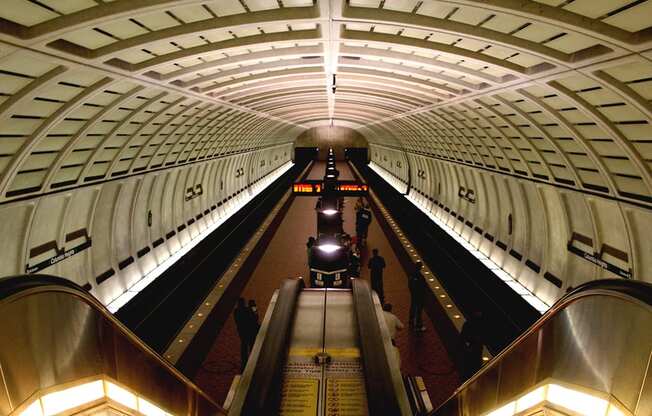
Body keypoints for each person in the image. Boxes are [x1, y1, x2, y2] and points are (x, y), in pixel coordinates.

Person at [460, 310, 484, 380]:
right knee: (470, 368)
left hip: (474, 350)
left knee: (473, 367)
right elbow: (463, 337)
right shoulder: (469, 325)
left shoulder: (469, 324)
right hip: (471, 350)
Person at [234, 297, 254, 371]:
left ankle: (244, 362)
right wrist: (252, 306)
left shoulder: (236, 311)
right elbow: (255, 317)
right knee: (251, 345)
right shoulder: (247, 310)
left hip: (241, 332)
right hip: (249, 331)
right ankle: (252, 360)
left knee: (243, 346)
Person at [408, 261, 426, 332]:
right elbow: (423, 286)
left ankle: (411, 319)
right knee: (419, 310)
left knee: (412, 306)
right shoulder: (420, 276)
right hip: (419, 295)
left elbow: (410, 284)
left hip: (413, 294)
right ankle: (419, 325)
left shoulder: (412, 274)